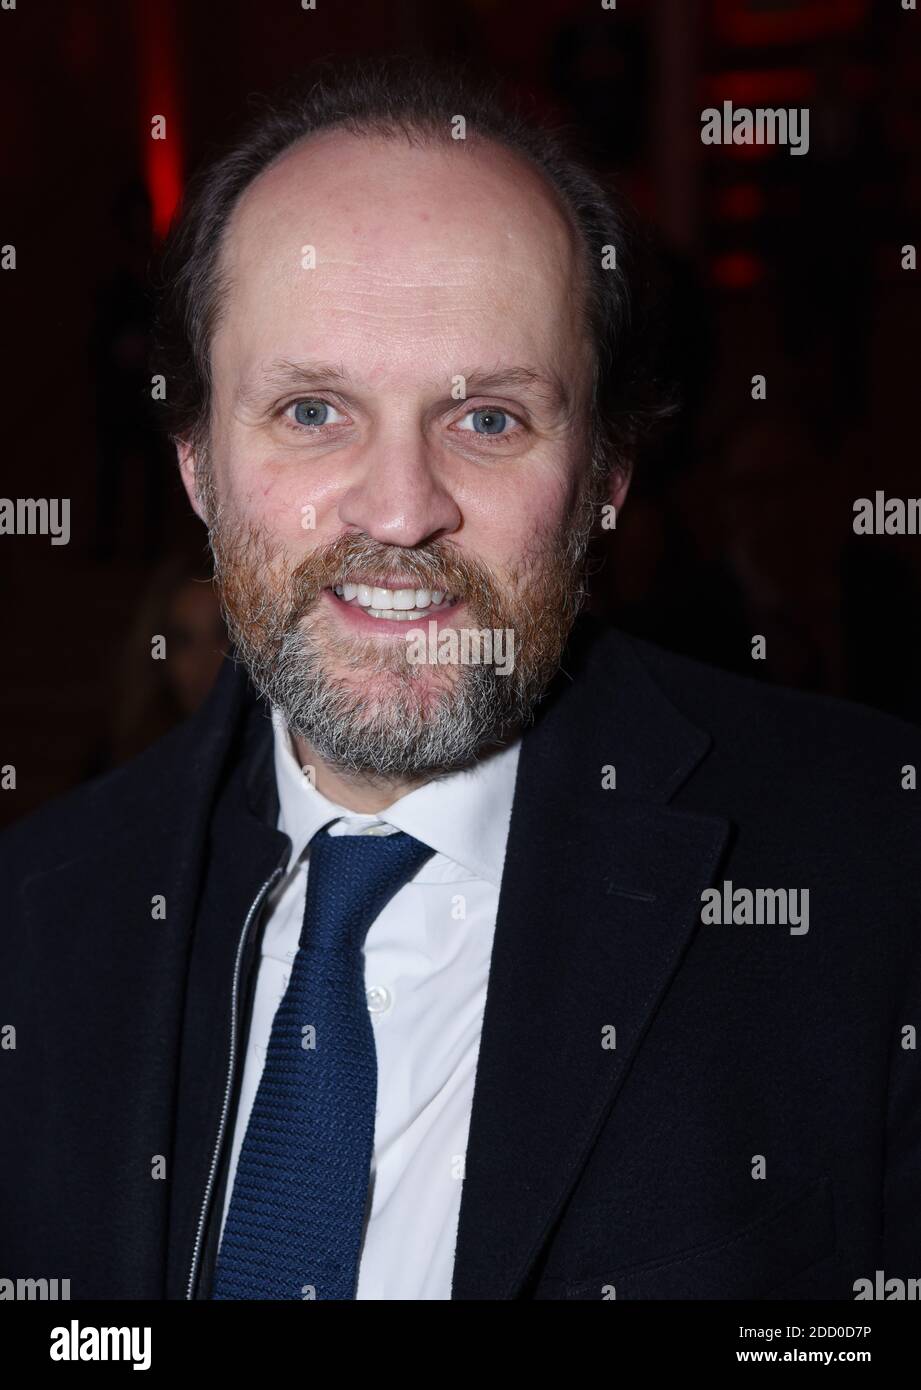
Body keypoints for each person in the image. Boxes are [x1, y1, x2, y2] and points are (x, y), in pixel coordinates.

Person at [1, 57, 918, 1302]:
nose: (400, 507)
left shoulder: (875, 866)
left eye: (486, 418)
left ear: (604, 478)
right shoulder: (36, 921)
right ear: (197, 467)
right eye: (313, 409)